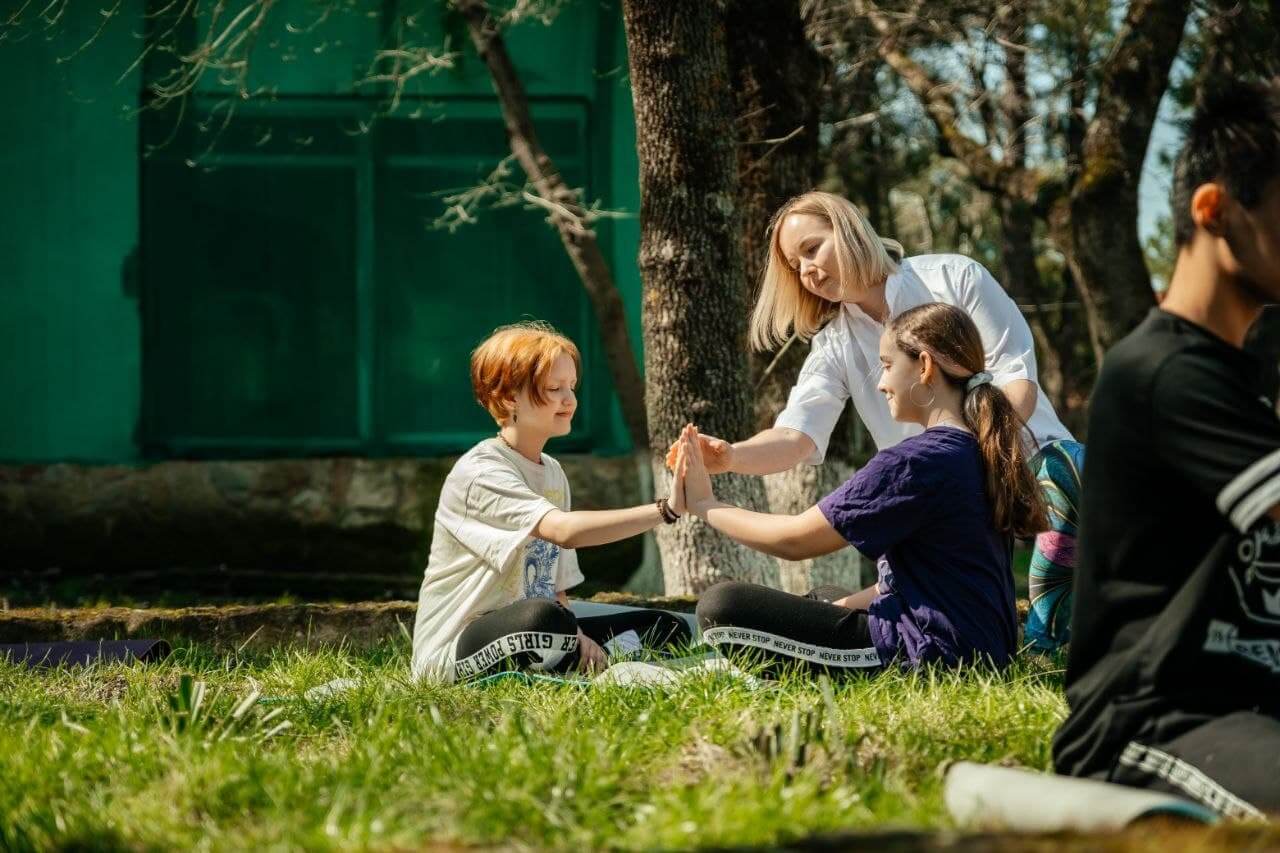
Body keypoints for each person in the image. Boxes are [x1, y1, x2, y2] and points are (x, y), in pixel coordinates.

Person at [668, 191, 1081, 651]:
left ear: (849, 229)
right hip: (936, 500)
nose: (806, 270)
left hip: (1027, 468)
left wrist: (967, 458)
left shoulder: (954, 277)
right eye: (793, 263)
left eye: (811, 248)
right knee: (837, 602)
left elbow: (1015, 380)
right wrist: (730, 456)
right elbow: (797, 435)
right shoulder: (835, 343)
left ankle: (1044, 647)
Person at [1052, 81, 1280, 817]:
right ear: (1213, 209)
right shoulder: (1162, 372)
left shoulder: (1236, 376)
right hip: (1146, 722)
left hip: (1246, 709)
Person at [676, 303, 1048, 674]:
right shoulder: (975, 448)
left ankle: (734, 667)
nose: (881, 383)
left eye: (887, 365)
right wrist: (833, 611)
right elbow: (918, 578)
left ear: (924, 366)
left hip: (932, 653)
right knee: (826, 598)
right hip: (980, 647)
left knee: (721, 606)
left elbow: (794, 541)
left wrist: (705, 504)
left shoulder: (915, 462)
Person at [411, 321, 691, 683]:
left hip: (543, 626)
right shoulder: (481, 472)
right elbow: (564, 532)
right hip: (458, 648)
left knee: (664, 627)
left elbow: (554, 587)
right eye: (554, 388)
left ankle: (580, 658)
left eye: (572, 387)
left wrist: (576, 634)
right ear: (510, 396)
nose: (569, 400)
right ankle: (581, 659)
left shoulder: (553, 473)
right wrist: (666, 509)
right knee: (544, 621)